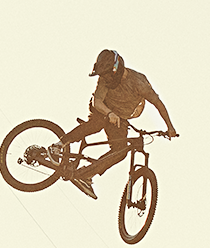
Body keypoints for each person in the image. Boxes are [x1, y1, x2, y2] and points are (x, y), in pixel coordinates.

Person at [62, 48, 178, 198]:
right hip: (102, 110)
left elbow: (158, 104)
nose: (106, 79)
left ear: (116, 70)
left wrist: (170, 127)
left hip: (120, 119)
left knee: (120, 150)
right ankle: (60, 144)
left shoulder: (138, 83)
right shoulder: (105, 78)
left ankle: (85, 175)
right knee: (97, 123)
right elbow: (97, 101)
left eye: (108, 76)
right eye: (103, 76)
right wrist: (109, 113)